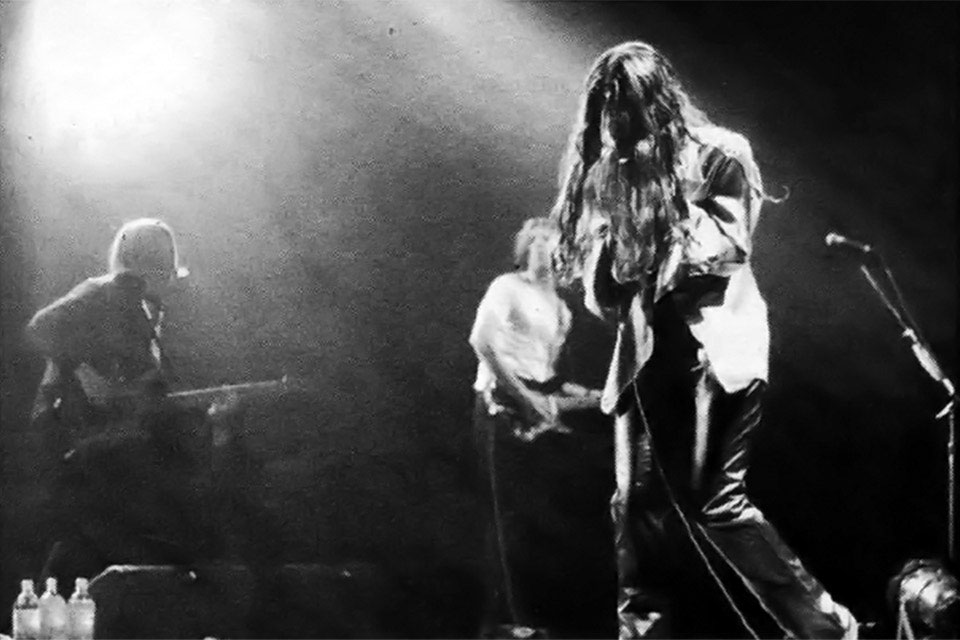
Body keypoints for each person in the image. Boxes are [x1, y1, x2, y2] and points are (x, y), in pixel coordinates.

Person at [550, 41, 858, 639]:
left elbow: (725, 250)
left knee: (717, 505)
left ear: (656, 100)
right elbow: (604, 299)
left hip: (714, 351)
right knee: (635, 508)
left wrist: (655, 207)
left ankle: (828, 631)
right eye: (607, 113)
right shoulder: (612, 174)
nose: (617, 125)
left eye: (627, 108)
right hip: (643, 361)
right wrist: (613, 240)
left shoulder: (721, 153)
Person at [468, 216, 606, 638]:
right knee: (504, 514)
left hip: (536, 400)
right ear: (527, 246)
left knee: (536, 515)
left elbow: (548, 375)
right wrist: (526, 400)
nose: (547, 246)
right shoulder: (506, 287)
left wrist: (596, 394)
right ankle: (508, 621)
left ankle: (539, 616)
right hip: (501, 402)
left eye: (554, 240)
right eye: (540, 240)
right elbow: (481, 341)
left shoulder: (563, 308)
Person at [26, 217, 189, 460]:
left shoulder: (143, 308)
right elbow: (40, 327)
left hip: (109, 439)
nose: (168, 268)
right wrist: (85, 373)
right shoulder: (102, 291)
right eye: (161, 257)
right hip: (75, 436)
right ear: (140, 258)